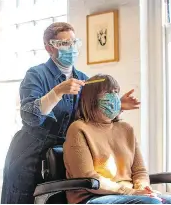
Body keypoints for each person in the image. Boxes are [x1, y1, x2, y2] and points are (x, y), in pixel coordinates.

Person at [1, 22, 141, 204]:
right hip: (30, 155)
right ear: (49, 47)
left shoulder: (84, 79)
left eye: (74, 42)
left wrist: (117, 105)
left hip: (67, 154)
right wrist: (57, 92)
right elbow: (30, 116)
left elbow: (91, 116)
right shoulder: (36, 75)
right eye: (64, 44)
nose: (71, 48)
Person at [64, 74, 171, 204]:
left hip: (128, 194)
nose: (114, 96)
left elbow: (140, 171)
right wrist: (130, 192)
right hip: (92, 196)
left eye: (116, 92)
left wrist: (144, 189)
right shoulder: (78, 128)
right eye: (108, 92)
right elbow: (89, 178)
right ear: (91, 98)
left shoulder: (126, 129)